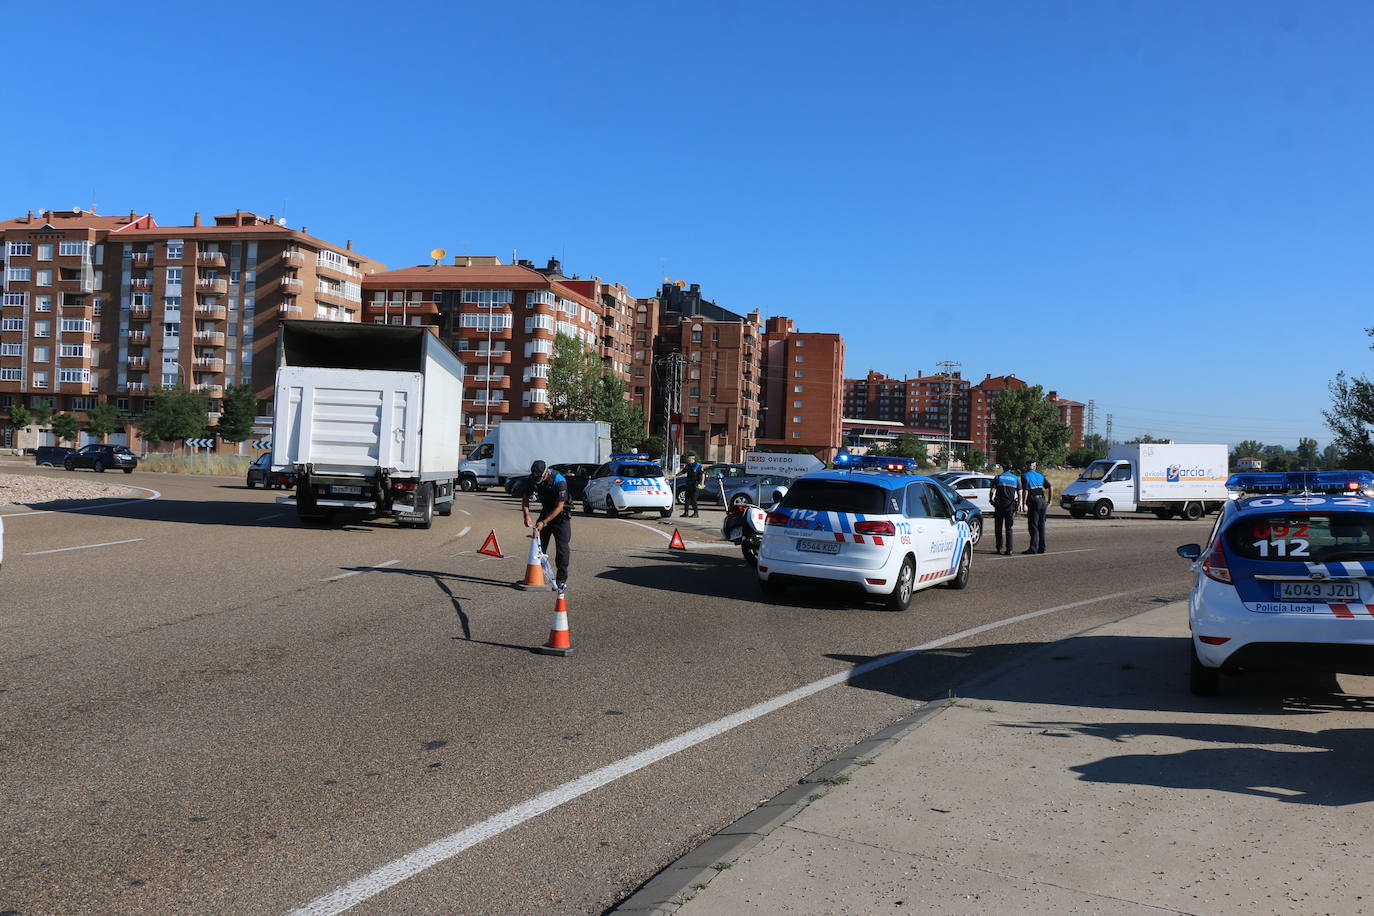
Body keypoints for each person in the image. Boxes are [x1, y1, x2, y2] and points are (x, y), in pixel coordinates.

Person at [521, 459, 570, 590]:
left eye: (540, 478)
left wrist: (544, 522)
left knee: (562, 548)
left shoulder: (559, 480)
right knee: (538, 545)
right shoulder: (531, 479)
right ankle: (537, 575)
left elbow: (560, 506)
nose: (537, 480)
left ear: (545, 472)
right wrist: (526, 515)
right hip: (546, 511)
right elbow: (525, 499)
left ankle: (561, 580)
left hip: (561, 516)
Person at [1021, 460, 1052, 555]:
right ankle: (1042, 547)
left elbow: (1025, 491)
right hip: (1042, 502)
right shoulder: (1041, 475)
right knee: (1041, 526)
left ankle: (1033, 548)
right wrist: (1050, 501)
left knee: (1033, 526)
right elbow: (1050, 487)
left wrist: (1023, 503)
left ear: (1027, 467)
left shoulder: (1024, 476)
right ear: (1034, 467)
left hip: (1034, 502)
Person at [990, 463, 1021, 556]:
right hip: (1010, 506)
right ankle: (1009, 549)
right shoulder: (1015, 478)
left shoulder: (998, 477)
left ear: (1003, 468)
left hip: (999, 506)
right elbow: (1019, 493)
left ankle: (999, 548)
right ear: (1011, 468)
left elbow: (992, 490)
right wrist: (1019, 504)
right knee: (1009, 529)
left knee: (998, 528)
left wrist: (991, 500)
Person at [680, 453, 704, 517]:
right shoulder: (688, 465)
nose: (688, 460)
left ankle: (696, 513)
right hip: (689, 484)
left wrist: (702, 483)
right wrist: (675, 475)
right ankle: (686, 512)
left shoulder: (698, 465)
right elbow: (683, 472)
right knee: (687, 499)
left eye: (689, 459)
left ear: (693, 459)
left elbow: (702, 474)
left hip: (695, 484)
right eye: (688, 459)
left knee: (693, 499)